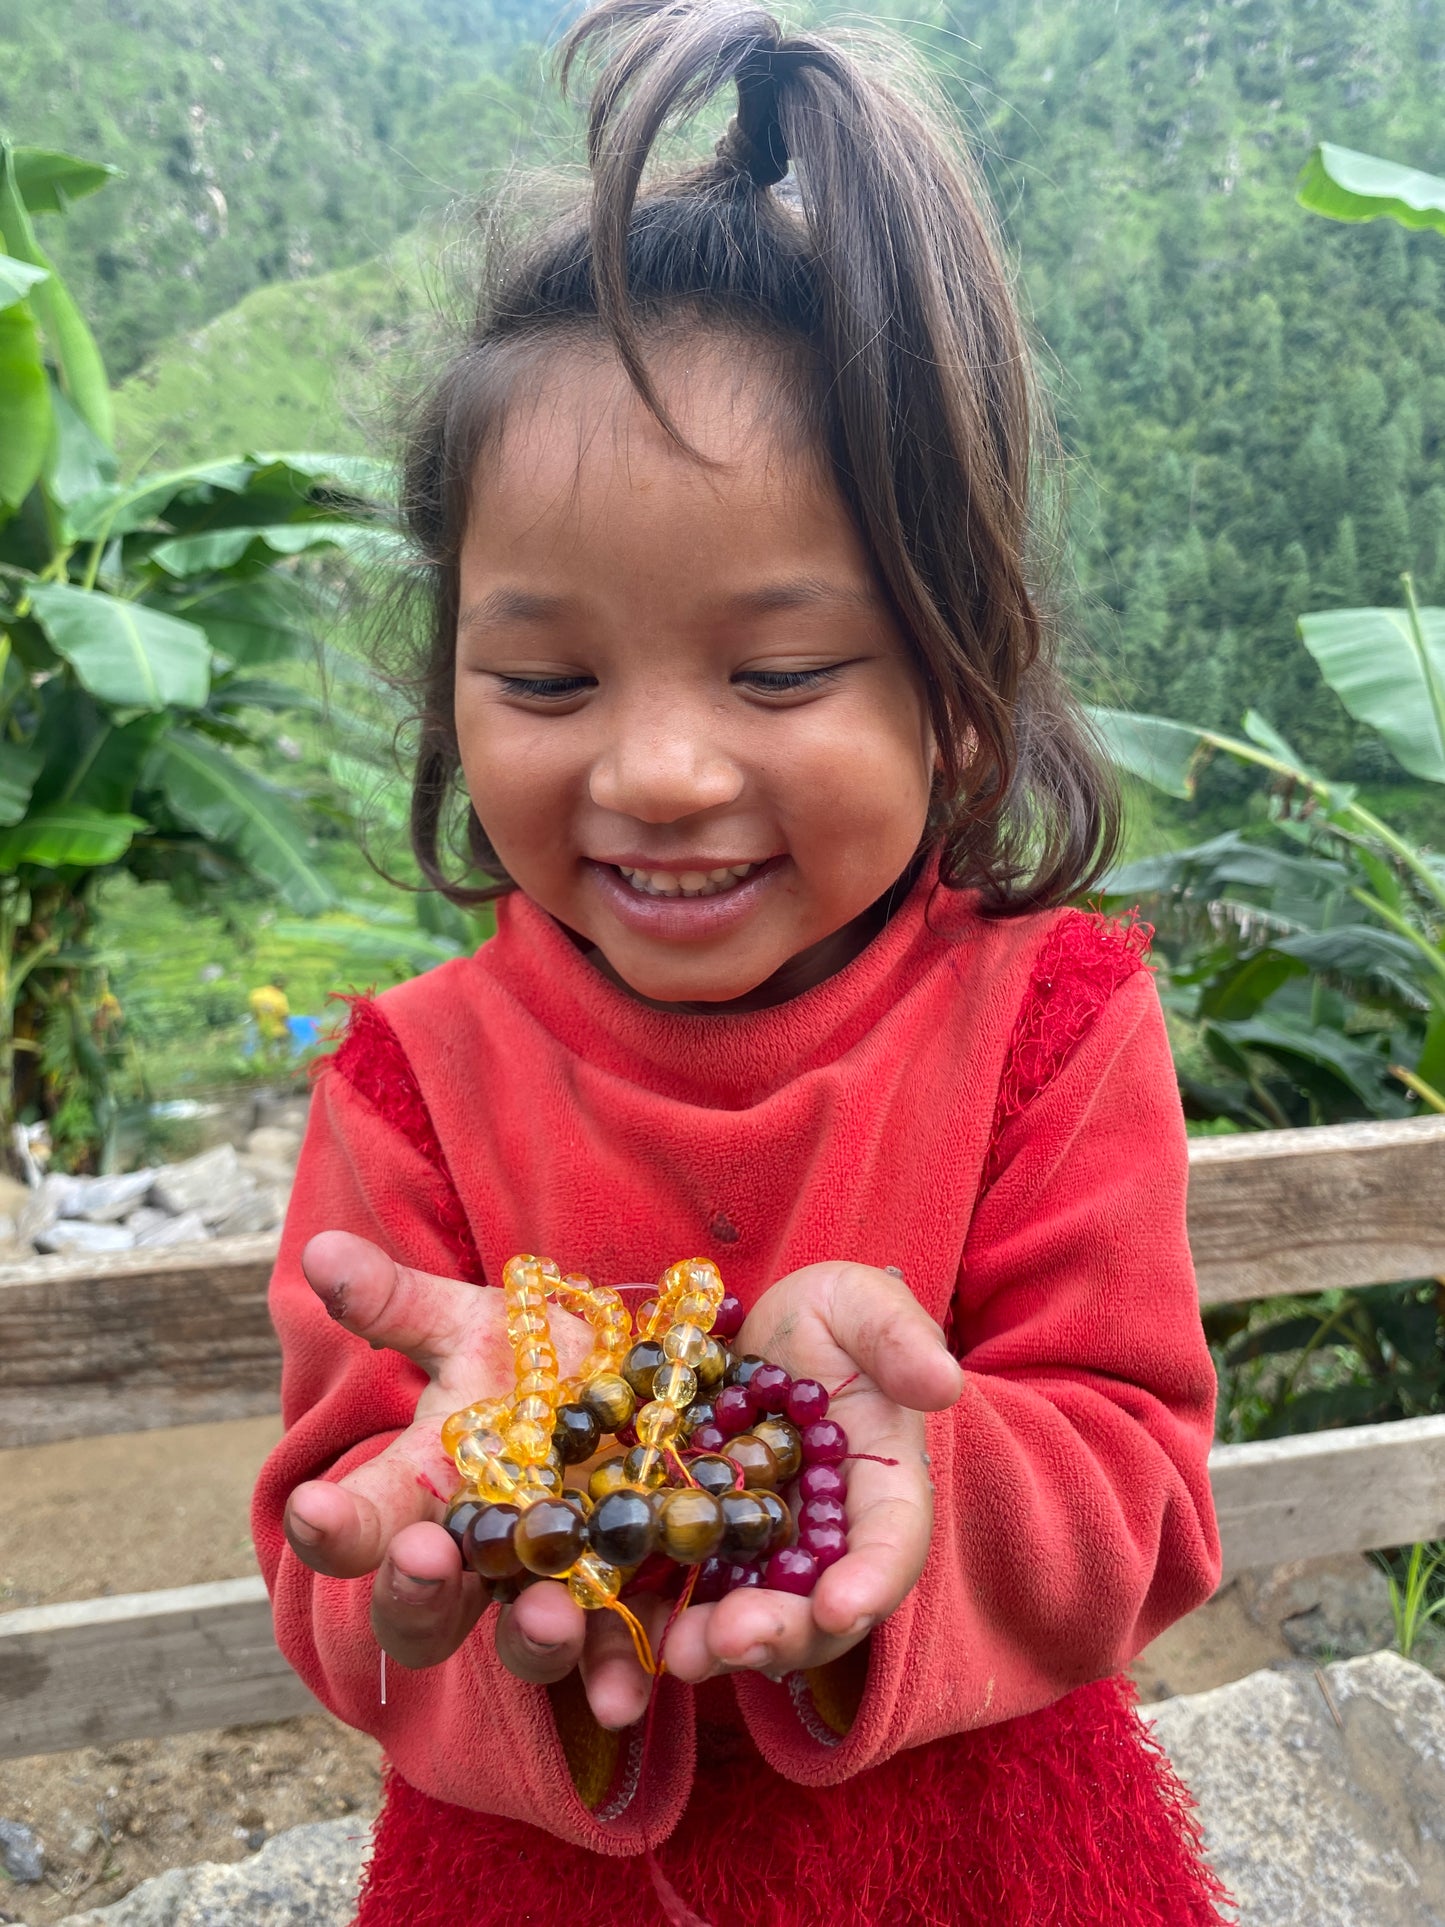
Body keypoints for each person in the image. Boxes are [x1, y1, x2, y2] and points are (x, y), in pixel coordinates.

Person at [251, 3, 1227, 1920]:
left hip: (991, 1866)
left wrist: (923, 1489)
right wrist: (433, 1542)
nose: (658, 771)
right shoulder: (403, 1083)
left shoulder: (1048, 1027)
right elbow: (334, 1580)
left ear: (961, 692)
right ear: (451, 687)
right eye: (545, 678)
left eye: (778, 672)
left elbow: (1147, 1495)